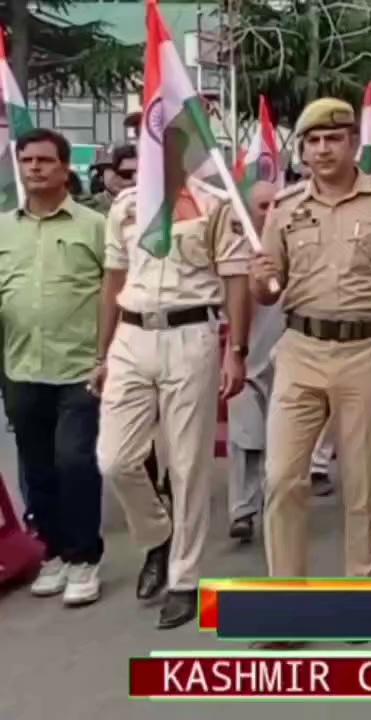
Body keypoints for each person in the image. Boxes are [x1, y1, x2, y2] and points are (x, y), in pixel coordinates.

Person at [250, 99, 371, 606]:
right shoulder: (285, 208)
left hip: (366, 350)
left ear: (353, 143)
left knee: (363, 484)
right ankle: (286, 601)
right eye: (312, 141)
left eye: (333, 139)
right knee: (282, 478)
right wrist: (260, 283)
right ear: (302, 150)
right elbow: (268, 290)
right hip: (301, 349)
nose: (322, 149)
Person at [96, 174, 250, 630]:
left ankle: (185, 578)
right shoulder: (125, 205)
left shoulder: (214, 204)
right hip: (131, 333)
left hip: (191, 333)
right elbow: (113, 278)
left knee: (187, 464)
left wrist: (235, 350)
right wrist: (100, 352)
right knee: (115, 459)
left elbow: (236, 278)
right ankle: (157, 534)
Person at [0, 129, 107, 606]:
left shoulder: (93, 226)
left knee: (75, 462)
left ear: (66, 169)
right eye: (27, 160)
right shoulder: (4, 228)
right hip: (20, 365)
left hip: (80, 366)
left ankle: (85, 558)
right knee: (38, 468)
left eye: (45, 160)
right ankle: (55, 554)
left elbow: (114, 293)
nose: (35, 168)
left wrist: (108, 355)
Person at [224, 181, 286, 543]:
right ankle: (242, 509)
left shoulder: (295, 248)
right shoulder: (233, 254)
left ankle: (278, 507)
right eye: (263, 206)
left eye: (276, 204)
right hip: (245, 358)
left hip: (290, 358)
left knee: (281, 442)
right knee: (245, 436)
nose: (271, 212)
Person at [86, 144, 137, 214]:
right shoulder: (87, 209)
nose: (131, 180)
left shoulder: (152, 208)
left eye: (137, 172)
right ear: (101, 173)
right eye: (124, 173)